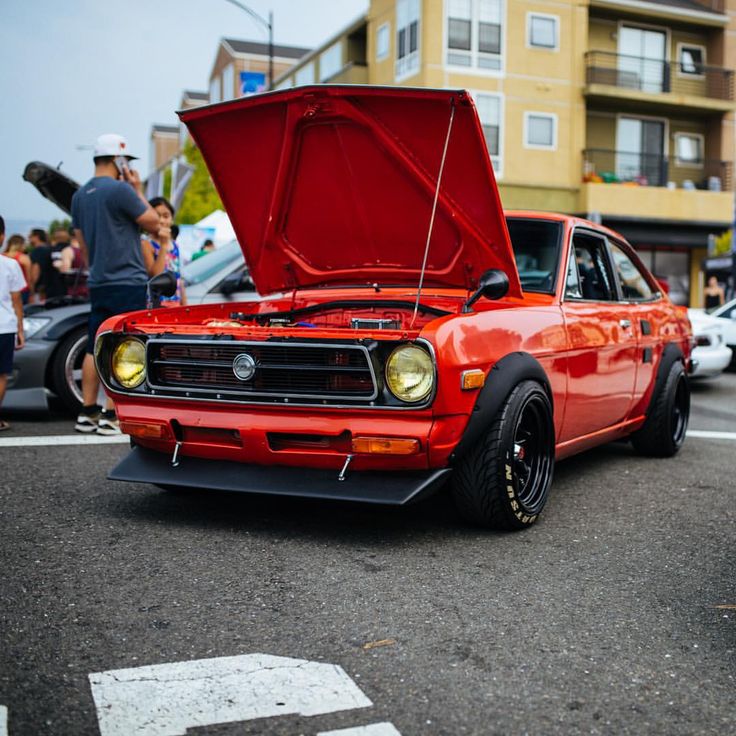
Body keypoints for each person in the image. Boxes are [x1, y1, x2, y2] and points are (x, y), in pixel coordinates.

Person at [71, 133, 159, 434]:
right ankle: (111, 414)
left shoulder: (80, 195)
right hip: (128, 280)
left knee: (93, 346)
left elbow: (82, 243)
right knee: (124, 345)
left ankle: (88, 411)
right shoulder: (121, 190)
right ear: (118, 160)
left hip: (99, 281)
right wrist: (137, 189)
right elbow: (154, 223)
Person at [0, 216, 26, 431]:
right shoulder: (10, 264)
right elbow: (17, 300)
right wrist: (20, 330)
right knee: (1, 375)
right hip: (4, 326)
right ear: (2, 236)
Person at [141, 197, 187, 306]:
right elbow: (155, 275)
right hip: (157, 303)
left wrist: (184, 304)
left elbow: (178, 278)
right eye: (157, 216)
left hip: (175, 303)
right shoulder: (146, 244)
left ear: (172, 219)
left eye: (166, 216)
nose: (161, 220)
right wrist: (163, 245)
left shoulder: (175, 245)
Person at [30, 227, 68, 301]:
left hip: (50, 289)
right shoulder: (73, 250)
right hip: (71, 289)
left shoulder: (45, 251)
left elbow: (36, 270)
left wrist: (32, 287)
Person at [2, 235, 32, 304]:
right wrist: (32, 293)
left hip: (5, 291)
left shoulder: (2, 257)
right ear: (21, 245)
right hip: (22, 291)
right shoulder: (24, 258)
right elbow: (29, 278)